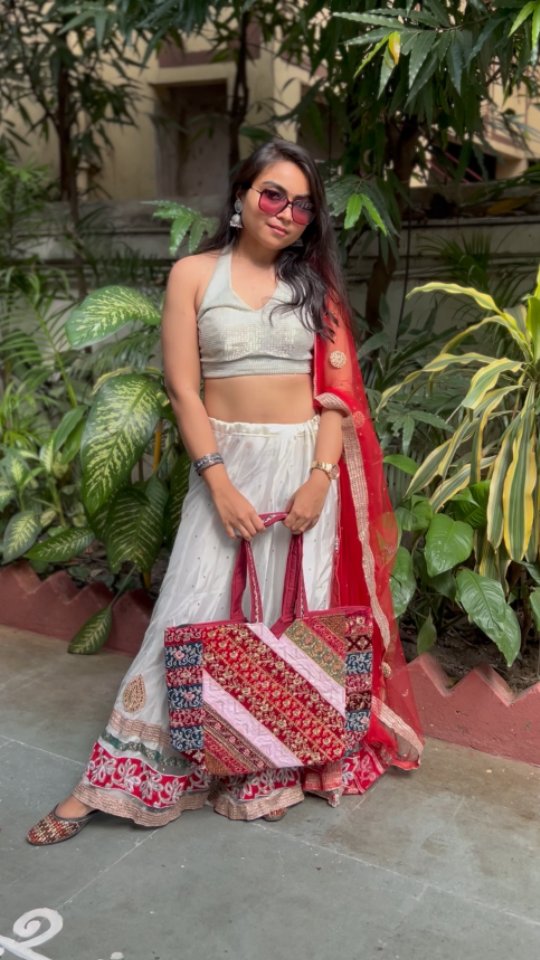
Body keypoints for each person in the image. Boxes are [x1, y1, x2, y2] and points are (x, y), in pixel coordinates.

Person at [26, 139, 423, 845]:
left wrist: (319, 481)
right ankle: (117, 778)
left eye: (303, 205)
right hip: (225, 467)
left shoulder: (316, 288)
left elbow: (334, 400)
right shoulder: (192, 274)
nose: (287, 213)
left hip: (304, 470)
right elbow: (184, 389)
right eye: (273, 194)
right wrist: (218, 483)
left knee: (288, 619)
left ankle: (264, 766)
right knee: (190, 610)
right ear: (241, 197)